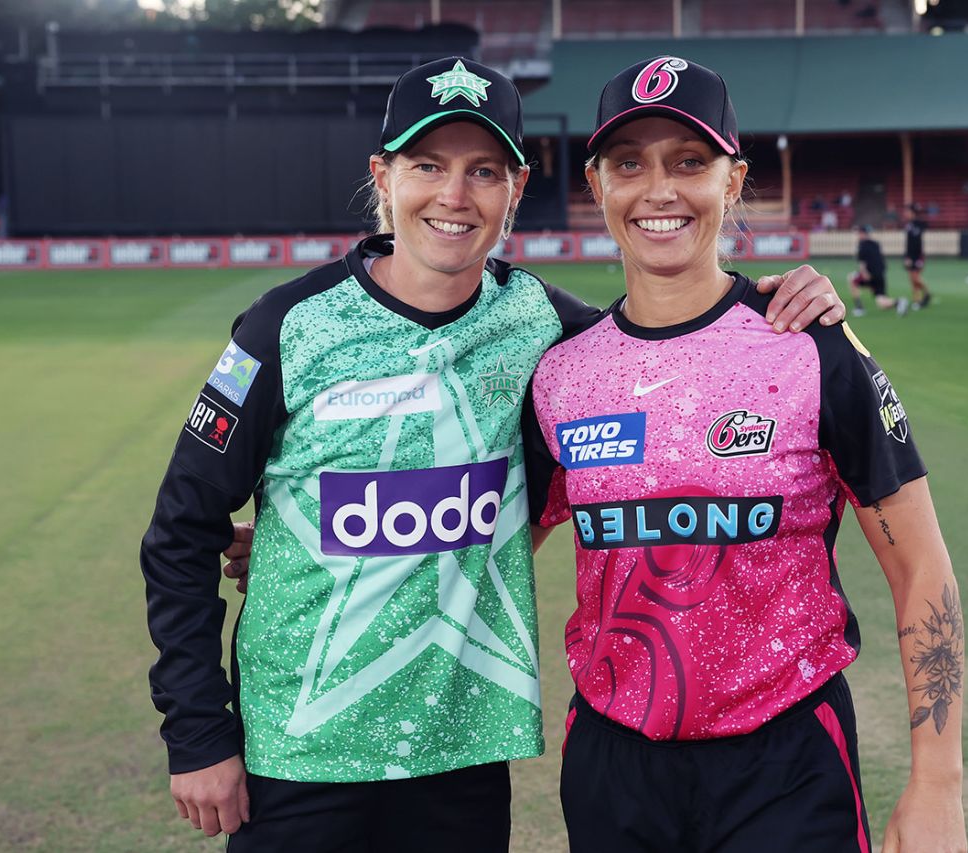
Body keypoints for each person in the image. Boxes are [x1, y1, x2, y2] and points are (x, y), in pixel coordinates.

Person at [141, 56, 846, 850]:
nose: (454, 195)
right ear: (384, 174)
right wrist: (199, 733)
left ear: (516, 188)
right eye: (427, 166)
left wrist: (772, 300)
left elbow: (662, 334)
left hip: (461, 754)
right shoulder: (283, 326)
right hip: (299, 751)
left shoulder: (548, 328)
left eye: (483, 171)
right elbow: (180, 531)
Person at [524, 56, 966, 853]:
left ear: (733, 182)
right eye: (630, 163)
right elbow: (478, 542)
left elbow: (921, 569)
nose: (659, 189)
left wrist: (938, 783)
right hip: (613, 764)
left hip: (787, 766)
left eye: (690, 162)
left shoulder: (809, 345)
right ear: (597, 184)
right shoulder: (561, 373)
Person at [849, 224, 908, 317]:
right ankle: (898, 302)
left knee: (852, 279)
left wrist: (864, 273)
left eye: (859, 233)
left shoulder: (862, 245)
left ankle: (859, 307)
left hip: (870, 274)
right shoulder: (876, 244)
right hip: (880, 274)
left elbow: (862, 262)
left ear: (862, 233)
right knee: (881, 303)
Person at [903, 202, 933, 310]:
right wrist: (907, 256)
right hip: (910, 255)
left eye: (908, 211)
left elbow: (917, 242)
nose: (905, 213)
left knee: (916, 277)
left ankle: (927, 293)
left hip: (918, 255)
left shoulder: (919, 223)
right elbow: (909, 242)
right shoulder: (909, 225)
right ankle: (917, 300)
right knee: (912, 279)